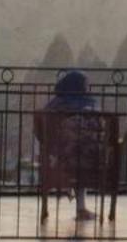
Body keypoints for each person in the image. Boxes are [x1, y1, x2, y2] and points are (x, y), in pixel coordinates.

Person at [41, 69, 106, 221]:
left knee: (76, 157)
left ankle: (72, 207)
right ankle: (81, 208)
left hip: (60, 161)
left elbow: (42, 133)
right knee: (81, 159)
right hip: (91, 161)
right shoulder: (90, 107)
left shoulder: (53, 107)